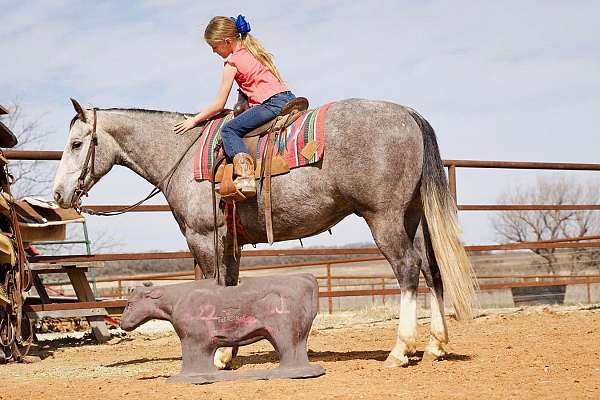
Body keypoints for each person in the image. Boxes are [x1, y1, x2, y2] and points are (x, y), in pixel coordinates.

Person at [174, 15, 295, 198]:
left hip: (271, 104)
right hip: (287, 97)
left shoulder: (232, 63)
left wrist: (194, 120)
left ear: (227, 41)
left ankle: (245, 176)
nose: (214, 52)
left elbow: (218, 104)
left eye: (214, 47)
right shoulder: (254, 51)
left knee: (229, 130)